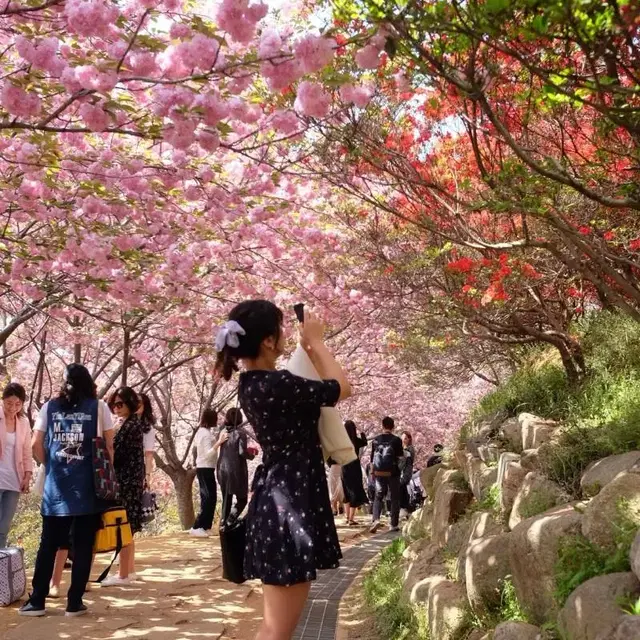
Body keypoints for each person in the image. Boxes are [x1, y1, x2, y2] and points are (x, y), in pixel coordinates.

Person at [214, 299, 351, 640]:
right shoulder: (277, 385)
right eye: (279, 329)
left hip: (280, 499)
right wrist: (316, 343)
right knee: (277, 630)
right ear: (268, 341)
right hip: (289, 503)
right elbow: (342, 388)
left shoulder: (255, 385)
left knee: (278, 626)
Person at [20, 364, 114, 617]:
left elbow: (35, 444)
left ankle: (37, 601)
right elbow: (109, 447)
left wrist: (50, 465)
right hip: (87, 487)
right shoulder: (100, 407)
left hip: (56, 488)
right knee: (83, 545)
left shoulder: (49, 407)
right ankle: (74, 603)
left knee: (48, 544)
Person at [101, 386, 146, 587]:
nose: (116, 408)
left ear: (129, 403)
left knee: (124, 526)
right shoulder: (131, 424)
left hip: (127, 482)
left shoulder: (130, 426)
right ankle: (129, 570)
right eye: (113, 405)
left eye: (120, 404)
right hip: (130, 481)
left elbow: (117, 455)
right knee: (128, 527)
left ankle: (123, 574)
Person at [0, 383, 33, 547]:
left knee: (3, 528)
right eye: (9, 403)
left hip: (14, 480)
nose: (13, 407)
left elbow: (27, 450)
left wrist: (27, 475)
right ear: (3, 400)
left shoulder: (24, 422)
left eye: (17, 404)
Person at [191, 408, 227, 537]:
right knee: (208, 497)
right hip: (205, 467)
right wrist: (219, 442)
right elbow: (207, 454)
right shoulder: (205, 434)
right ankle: (197, 526)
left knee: (210, 497)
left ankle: (205, 526)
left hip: (206, 467)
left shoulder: (202, 432)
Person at [217, 407, 255, 526]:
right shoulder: (240, 434)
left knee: (226, 498)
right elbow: (242, 452)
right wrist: (252, 455)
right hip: (236, 470)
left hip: (222, 469)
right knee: (242, 499)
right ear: (239, 419)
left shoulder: (222, 432)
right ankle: (230, 520)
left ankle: (223, 525)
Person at [369, 416, 404, 533]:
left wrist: (372, 472)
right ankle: (393, 524)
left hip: (379, 472)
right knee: (394, 498)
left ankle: (376, 520)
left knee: (378, 496)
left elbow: (372, 458)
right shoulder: (397, 440)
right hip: (392, 473)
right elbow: (400, 458)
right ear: (393, 427)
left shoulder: (376, 440)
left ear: (382, 426)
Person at [341, 420, 368, 526]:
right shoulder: (355, 441)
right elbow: (365, 442)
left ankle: (347, 517)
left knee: (346, 491)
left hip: (344, 467)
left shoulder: (342, 441)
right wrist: (362, 432)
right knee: (354, 492)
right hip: (354, 466)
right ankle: (351, 519)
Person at [137, 393, 156, 485]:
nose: (136, 405)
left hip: (137, 469)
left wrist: (147, 476)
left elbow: (149, 454)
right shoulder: (121, 423)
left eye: (139, 402)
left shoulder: (147, 428)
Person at [399, 431, 416, 519]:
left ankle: (404, 508)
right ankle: (407, 509)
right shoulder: (401, 448)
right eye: (402, 438)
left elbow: (405, 462)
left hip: (406, 472)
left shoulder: (410, 449)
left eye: (405, 438)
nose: (403, 440)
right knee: (403, 489)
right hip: (401, 472)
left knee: (401, 487)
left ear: (409, 439)